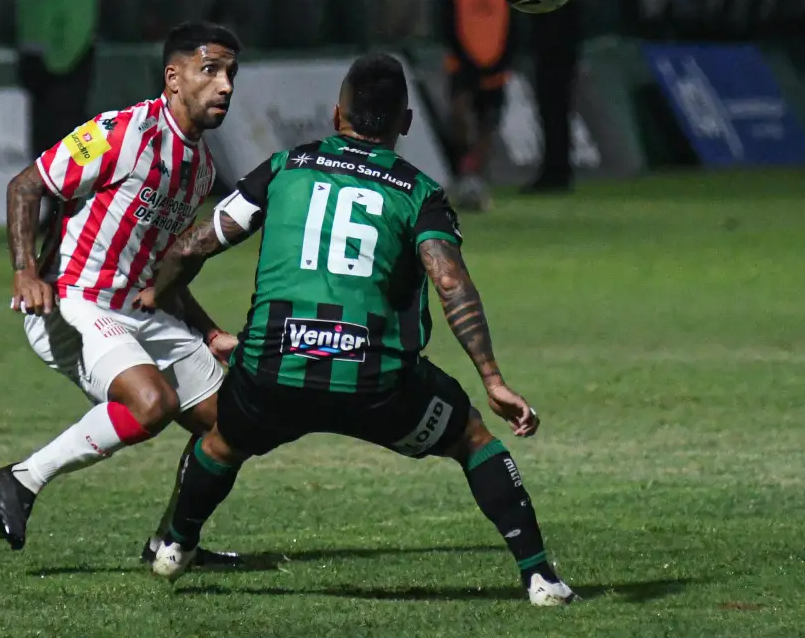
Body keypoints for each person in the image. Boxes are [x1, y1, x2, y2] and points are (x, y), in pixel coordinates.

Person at [147, 54, 577, 606]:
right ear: (406, 123)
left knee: (223, 442)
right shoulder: (418, 192)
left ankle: (175, 546)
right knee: (471, 438)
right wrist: (492, 378)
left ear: (335, 114)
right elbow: (451, 285)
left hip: (275, 370)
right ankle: (540, 577)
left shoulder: (284, 167)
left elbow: (195, 244)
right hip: (376, 385)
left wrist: (158, 297)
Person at [0, 21, 245, 569]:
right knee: (151, 404)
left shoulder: (199, 168)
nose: (225, 86)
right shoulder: (120, 132)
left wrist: (208, 331)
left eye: (231, 74)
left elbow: (160, 271)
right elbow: (26, 185)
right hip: (73, 301)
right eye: (211, 70)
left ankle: (173, 543)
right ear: (173, 78)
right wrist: (24, 270)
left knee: (231, 428)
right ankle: (22, 479)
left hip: (136, 312)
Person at [16, 0, 100, 165]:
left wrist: (57, 62)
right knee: (45, 137)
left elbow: (78, 26)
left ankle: (88, 187)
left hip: (65, 65)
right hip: (39, 65)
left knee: (69, 127)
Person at [439, 0, 515, 212]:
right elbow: (448, 30)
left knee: (487, 128)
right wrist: (468, 62)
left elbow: (513, 32)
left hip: (495, 72)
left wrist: (501, 64)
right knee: (460, 119)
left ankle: (476, 181)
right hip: (463, 69)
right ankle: (464, 172)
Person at [523, 0, 582, 194]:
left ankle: (556, 170)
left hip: (553, 61)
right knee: (556, 116)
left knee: (553, 116)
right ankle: (558, 169)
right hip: (558, 60)